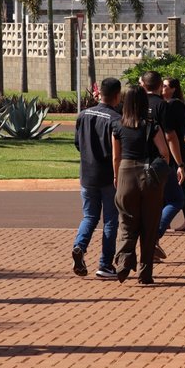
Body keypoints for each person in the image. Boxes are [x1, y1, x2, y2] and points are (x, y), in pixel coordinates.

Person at [111, 85, 170, 285]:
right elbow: (165, 153)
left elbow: (116, 157)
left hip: (125, 174)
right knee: (149, 226)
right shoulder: (151, 126)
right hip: (148, 176)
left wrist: (116, 178)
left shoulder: (117, 126)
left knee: (126, 222)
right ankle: (145, 273)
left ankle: (123, 261)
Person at [72, 77, 122, 279]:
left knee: (89, 216)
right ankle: (105, 264)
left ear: (100, 93)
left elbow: (77, 143)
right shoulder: (115, 119)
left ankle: (80, 246)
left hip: (87, 174)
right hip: (108, 175)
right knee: (110, 220)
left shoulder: (83, 115)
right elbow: (117, 150)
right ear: (117, 96)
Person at [139, 71, 185, 260]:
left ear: (143, 85)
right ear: (159, 86)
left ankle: (146, 243)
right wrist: (179, 163)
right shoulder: (162, 106)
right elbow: (170, 136)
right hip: (159, 161)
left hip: (136, 160)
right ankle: (152, 237)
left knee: (146, 205)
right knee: (175, 199)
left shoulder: (135, 104)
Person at [162, 77, 185, 232]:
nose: (162, 88)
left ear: (173, 89)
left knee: (180, 182)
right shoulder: (162, 104)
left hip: (178, 149)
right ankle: (168, 220)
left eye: (165, 86)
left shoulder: (175, 104)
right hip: (167, 147)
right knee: (166, 182)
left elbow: (183, 125)